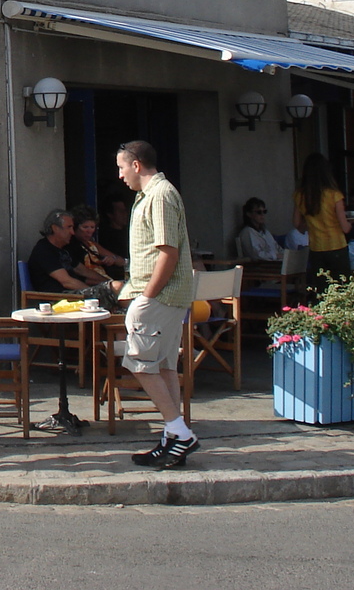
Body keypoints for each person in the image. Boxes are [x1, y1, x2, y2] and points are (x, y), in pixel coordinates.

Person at [116, 139, 198, 470]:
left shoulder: (161, 195)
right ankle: (172, 436)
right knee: (164, 366)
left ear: (136, 165)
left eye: (122, 167)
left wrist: (147, 295)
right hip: (166, 295)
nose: (120, 175)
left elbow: (169, 251)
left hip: (158, 295)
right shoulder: (150, 195)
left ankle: (179, 432)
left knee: (138, 363)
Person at [293, 154, 350, 298]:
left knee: (321, 291)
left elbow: (297, 224)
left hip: (316, 248)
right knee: (342, 290)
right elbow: (345, 227)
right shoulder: (334, 195)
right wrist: (352, 223)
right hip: (337, 245)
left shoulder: (300, 195)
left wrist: (311, 221)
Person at [27, 209, 91, 294]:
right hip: (58, 299)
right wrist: (94, 293)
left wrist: (108, 282)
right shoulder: (44, 250)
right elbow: (67, 282)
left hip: (74, 295)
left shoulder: (65, 249)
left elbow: (83, 271)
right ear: (55, 228)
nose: (72, 232)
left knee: (114, 286)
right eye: (69, 227)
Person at [69, 205, 125, 279]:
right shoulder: (71, 246)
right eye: (85, 227)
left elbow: (121, 261)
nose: (89, 231)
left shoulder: (92, 244)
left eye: (92, 227)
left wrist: (113, 259)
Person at [234, 197, 283, 262]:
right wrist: (276, 255)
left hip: (275, 263)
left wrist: (286, 255)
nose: (262, 215)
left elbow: (277, 247)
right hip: (261, 267)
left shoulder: (265, 232)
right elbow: (256, 255)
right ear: (249, 214)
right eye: (259, 212)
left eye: (264, 211)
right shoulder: (247, 232)